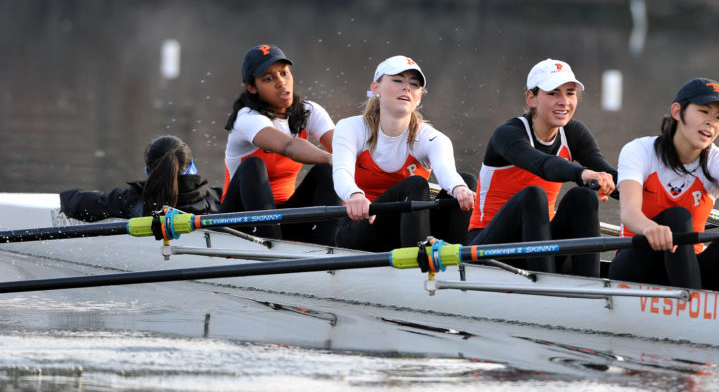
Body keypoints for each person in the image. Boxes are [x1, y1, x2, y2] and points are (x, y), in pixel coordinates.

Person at [610, 77, 719, 290]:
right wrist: (650, 228)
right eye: (704, 112)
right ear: (677, 111)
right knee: (677, 217)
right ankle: (692, 303)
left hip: (690, 267)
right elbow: (629, 213)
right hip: (636, 266)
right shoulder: (639, 151)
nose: (711, 123)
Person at [467, 58, 617, 277]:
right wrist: (581, 173)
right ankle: (546, 287)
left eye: (570, 93)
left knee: (584, 197)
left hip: (539, 244)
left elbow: (612, 175)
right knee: (533, 196)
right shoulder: (508, 134)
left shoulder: (574, 133)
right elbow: (543, 165)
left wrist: (616, 184)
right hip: (489, 247)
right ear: (532, 98)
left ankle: (590, 286)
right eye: (553, 93)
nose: (564, 101)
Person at [332, 55, 476, 251]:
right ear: (376, 88)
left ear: (419, 97)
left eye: (414, 84)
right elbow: (341, 173)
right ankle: (419, 261)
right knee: (415, 184)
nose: (407, 88)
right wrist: (355, 195)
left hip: (410, 229)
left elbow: (446, 172)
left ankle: (460, 259)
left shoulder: (432, 138)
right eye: (398, 80)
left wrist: (459, 189)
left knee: (466, 180)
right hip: (361, 228)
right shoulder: (351, 128)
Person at [221, 44, 339, 244]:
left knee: (326, 172)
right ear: (251, 87)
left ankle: (329, 251)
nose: (281, 82)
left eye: (284, 73)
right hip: (239, 221)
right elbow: (289, 147)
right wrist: (331, 158)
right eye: (269, 78)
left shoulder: (309, 111)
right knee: (253, 165)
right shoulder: (247, 118)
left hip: (285, 218)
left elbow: (345, 149)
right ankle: (271, 252)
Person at [60, 135, 221, 221]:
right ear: (192, 165)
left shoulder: (134, 200)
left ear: (148, 170)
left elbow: (83, 204)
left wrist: (67, 199)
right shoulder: (217, 198)